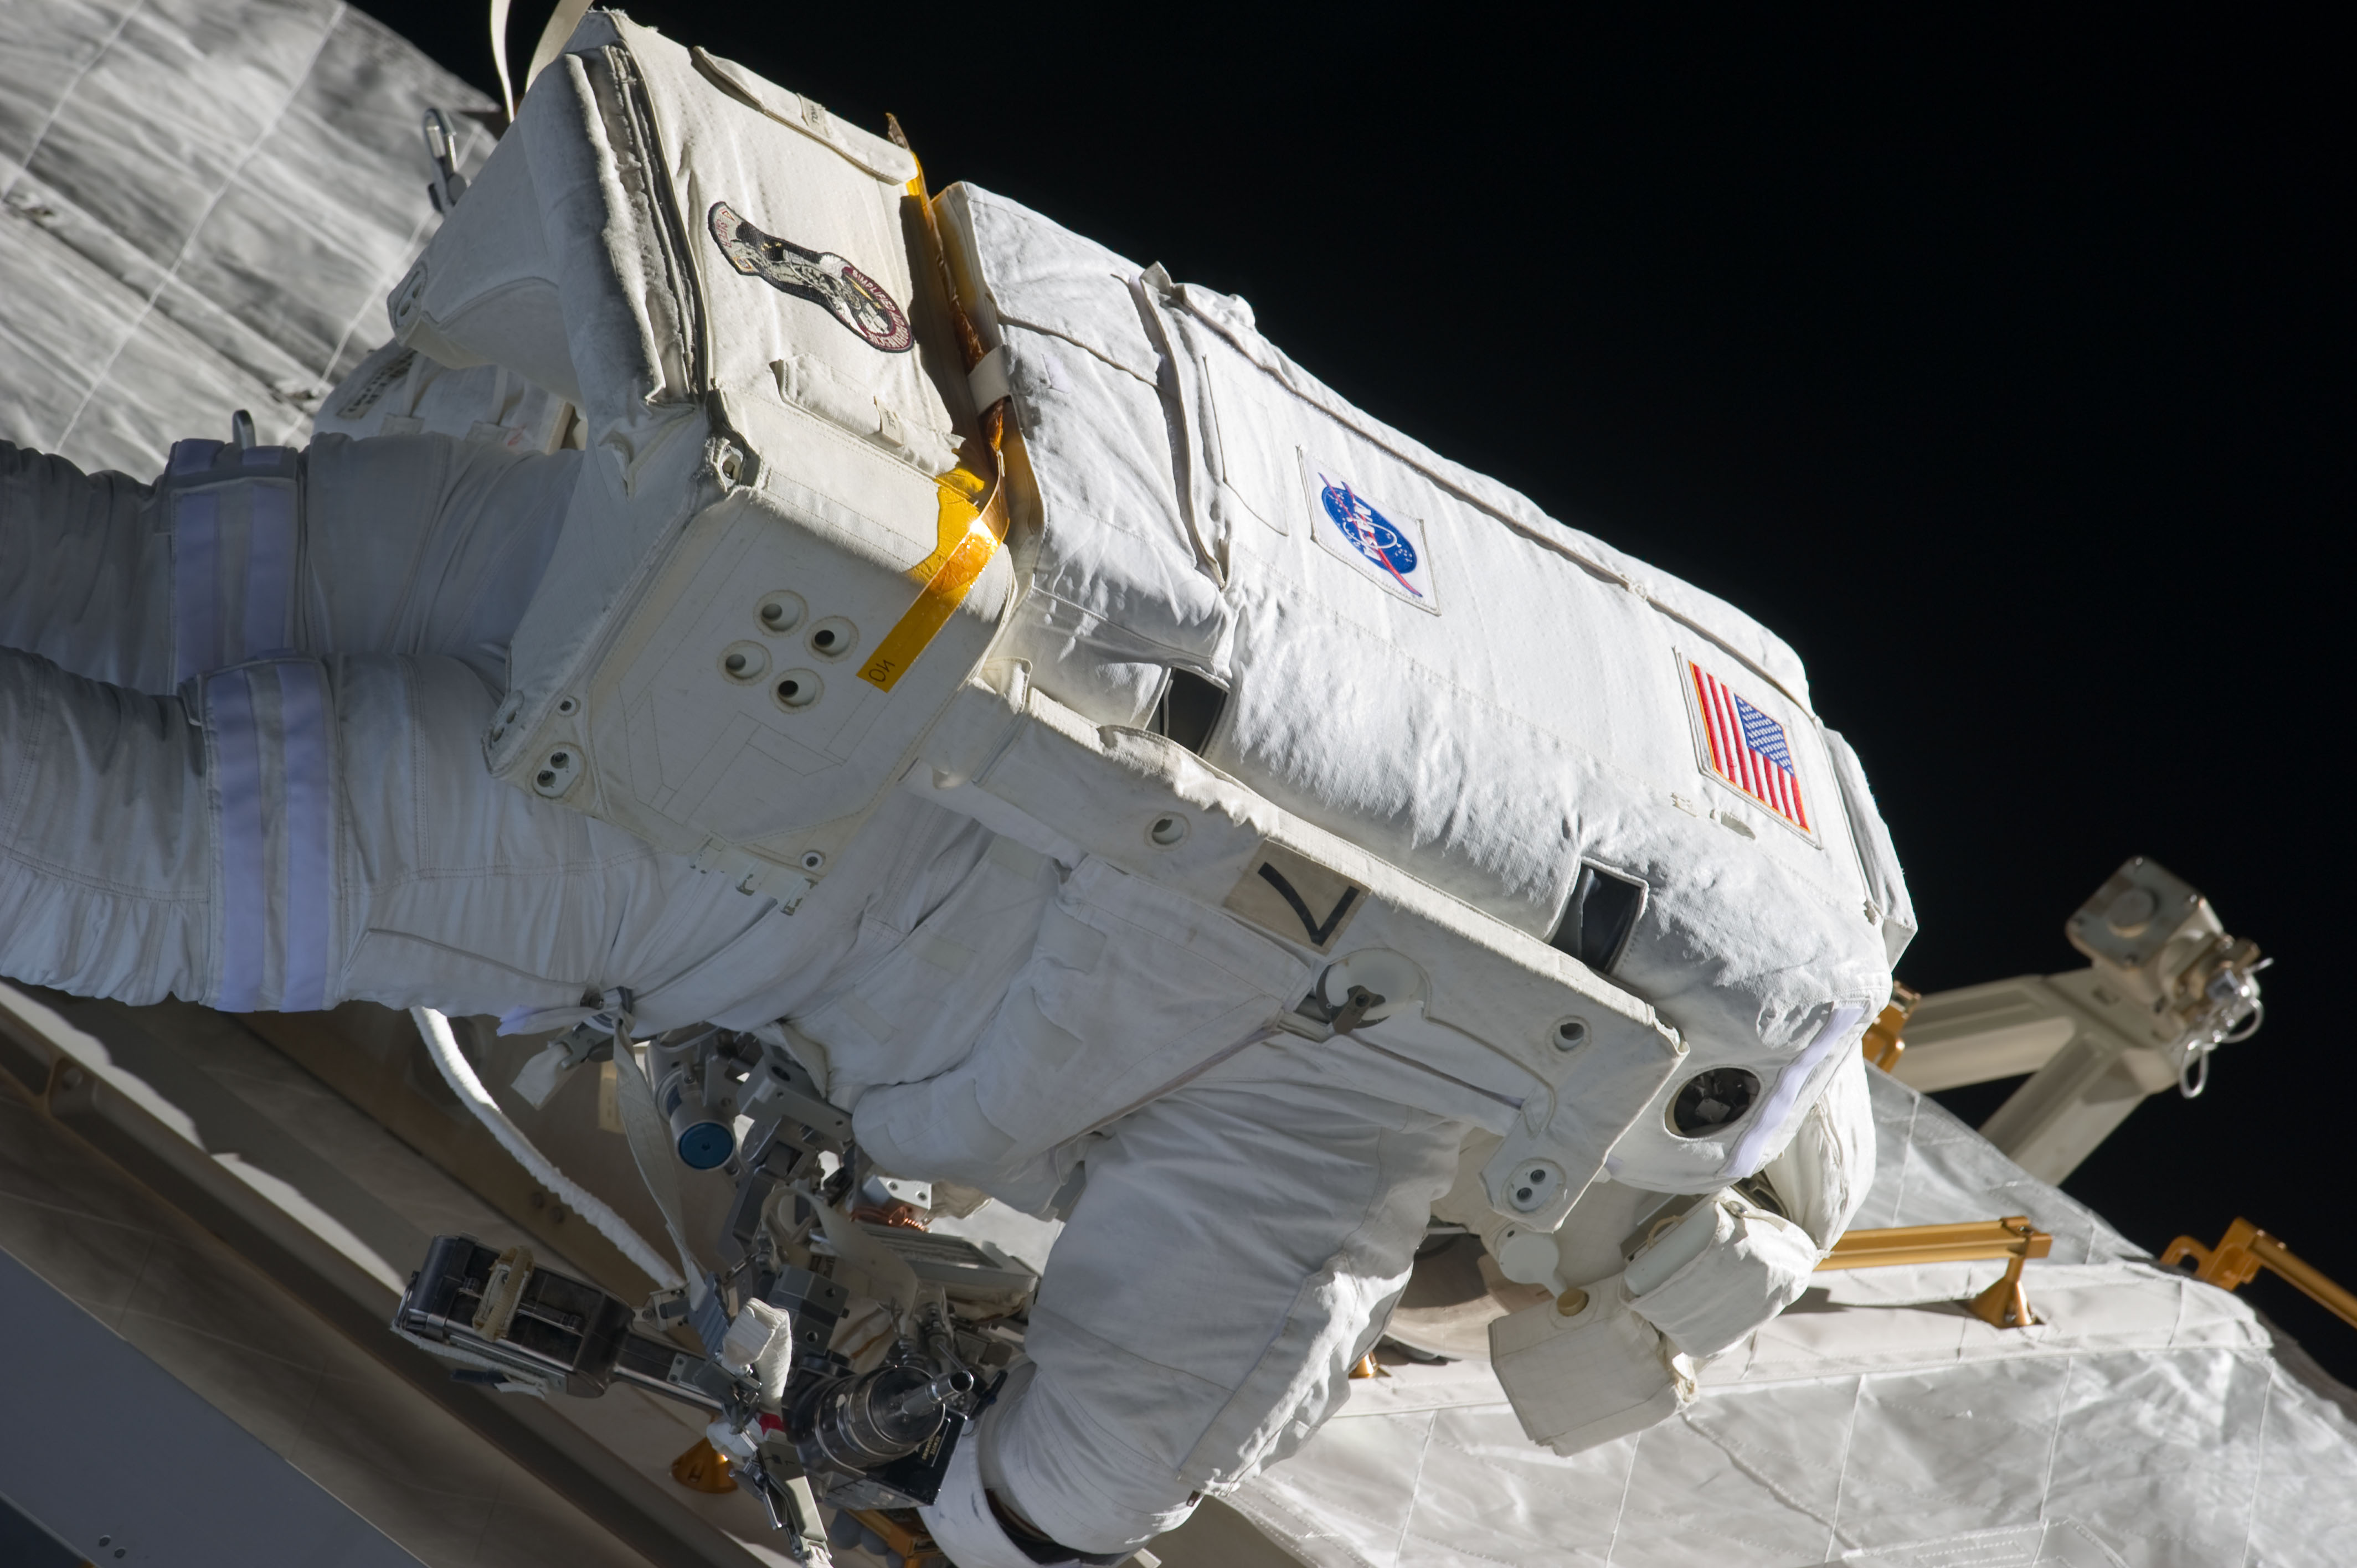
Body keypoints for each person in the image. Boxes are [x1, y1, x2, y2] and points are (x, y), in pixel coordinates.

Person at [0, 24, 1902, 1563]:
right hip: (727, 826)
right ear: (1628, 1188)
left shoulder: (1611, 742)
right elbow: (1110, 1456)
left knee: (144, 579)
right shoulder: (1447, 1073)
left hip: (792, 488)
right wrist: (995, 1517)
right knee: (146, 848)